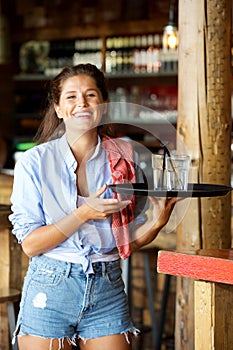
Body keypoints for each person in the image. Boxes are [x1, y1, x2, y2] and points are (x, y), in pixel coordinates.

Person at [9, 63, 178, 350]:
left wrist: (158, 222)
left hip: (107, 287)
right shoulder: (34, 162)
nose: (82, 104)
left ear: (103, 106)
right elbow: (31, 245)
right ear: (59, 109)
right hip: (51, 288)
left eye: (90, 95)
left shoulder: (122, 160)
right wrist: (84, 213)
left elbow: (124, 243)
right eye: (71, 97)